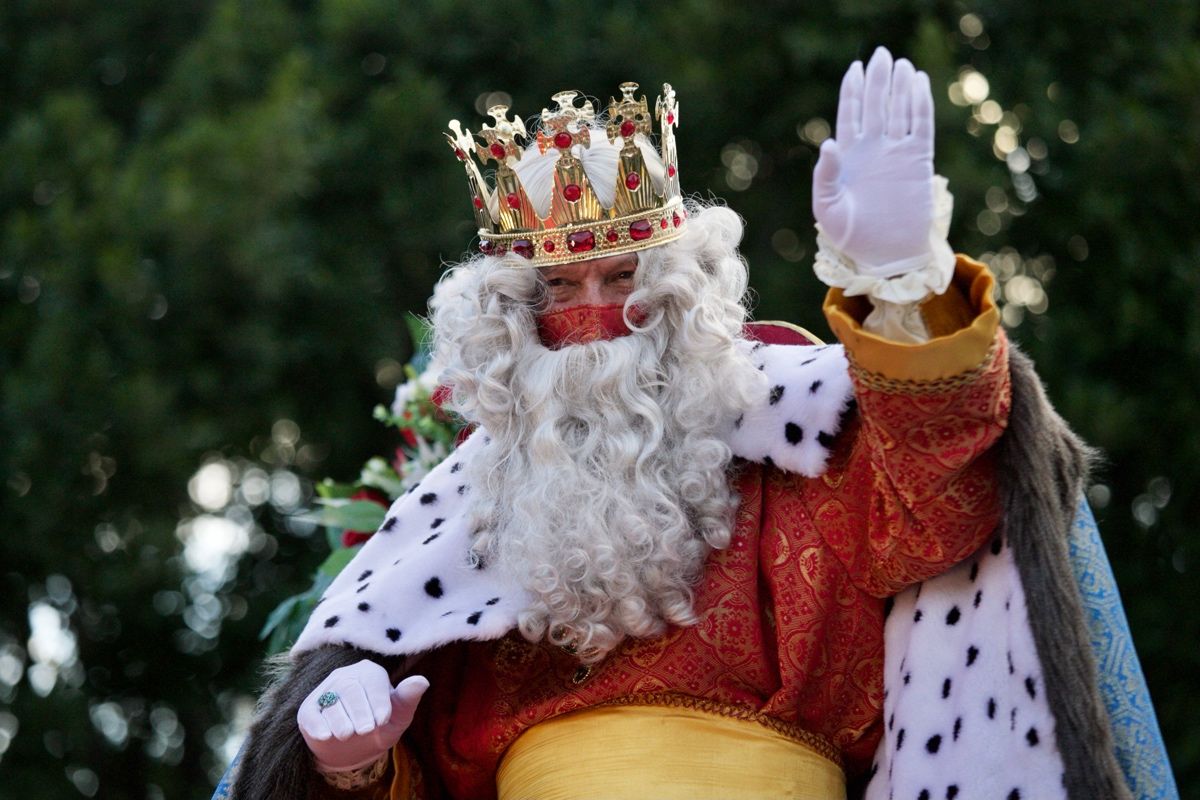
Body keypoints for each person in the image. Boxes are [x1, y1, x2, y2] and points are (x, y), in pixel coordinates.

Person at [227, 48, 1140, 800]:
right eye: (557, 288)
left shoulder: (799, 446)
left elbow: (946, 499)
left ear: (676, 293)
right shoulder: (457, 525)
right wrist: (354, 768)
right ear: (508, 318)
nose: (593, 317)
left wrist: (904, 284)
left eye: (621, 277)